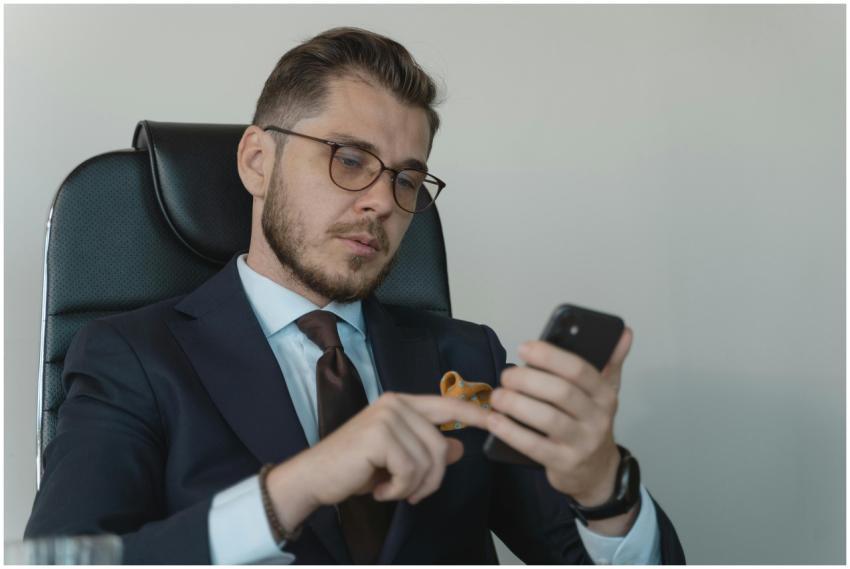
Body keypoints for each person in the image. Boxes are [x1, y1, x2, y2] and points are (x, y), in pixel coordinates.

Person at [26, 27, 685, 564]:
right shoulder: (130, 356)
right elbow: (63, 559)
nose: (381, 201)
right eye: (348, 158)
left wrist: (605, 489)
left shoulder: (468, 356)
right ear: (257, 160)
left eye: (407, 179)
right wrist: (295, 487)